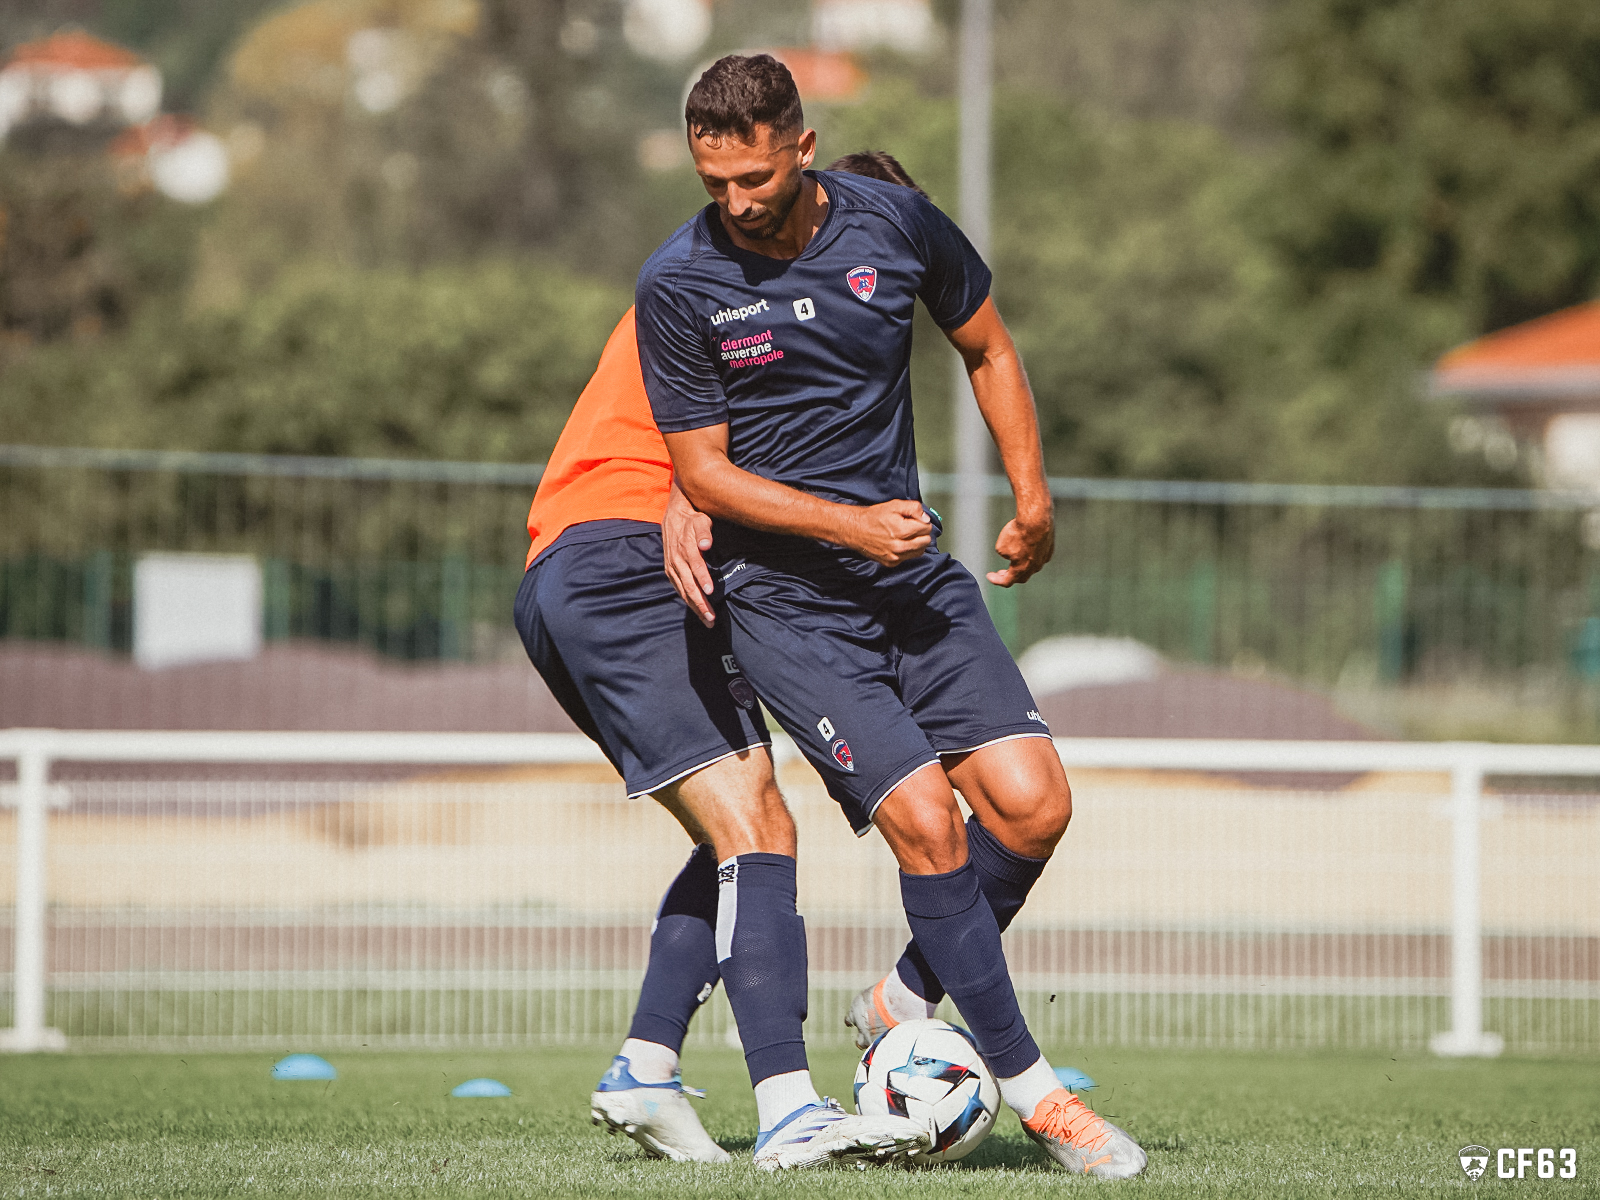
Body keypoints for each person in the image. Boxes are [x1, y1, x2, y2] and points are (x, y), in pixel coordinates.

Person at [635, 54, 1148, 1180]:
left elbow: (987, 345)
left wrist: (1033, 497)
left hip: (912, 583)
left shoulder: (898, 221)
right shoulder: (676, 283)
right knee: (928, 819)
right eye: (713, 182)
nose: (734, 202)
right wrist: (845, 524)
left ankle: (903, 995)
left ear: (802, 146)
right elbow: (703, 476)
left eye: (754, 176)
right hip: (784, 603)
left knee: (1033, 807)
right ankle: (1038, 1093)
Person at [513, 228, 928, 1171]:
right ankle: (789, 1109)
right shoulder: (767, 298)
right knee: (761, 829)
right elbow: (726, 472)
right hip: (625, 558)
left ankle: (648, 1064)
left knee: (732, 833)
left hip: (568, 564)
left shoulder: (720, 285)